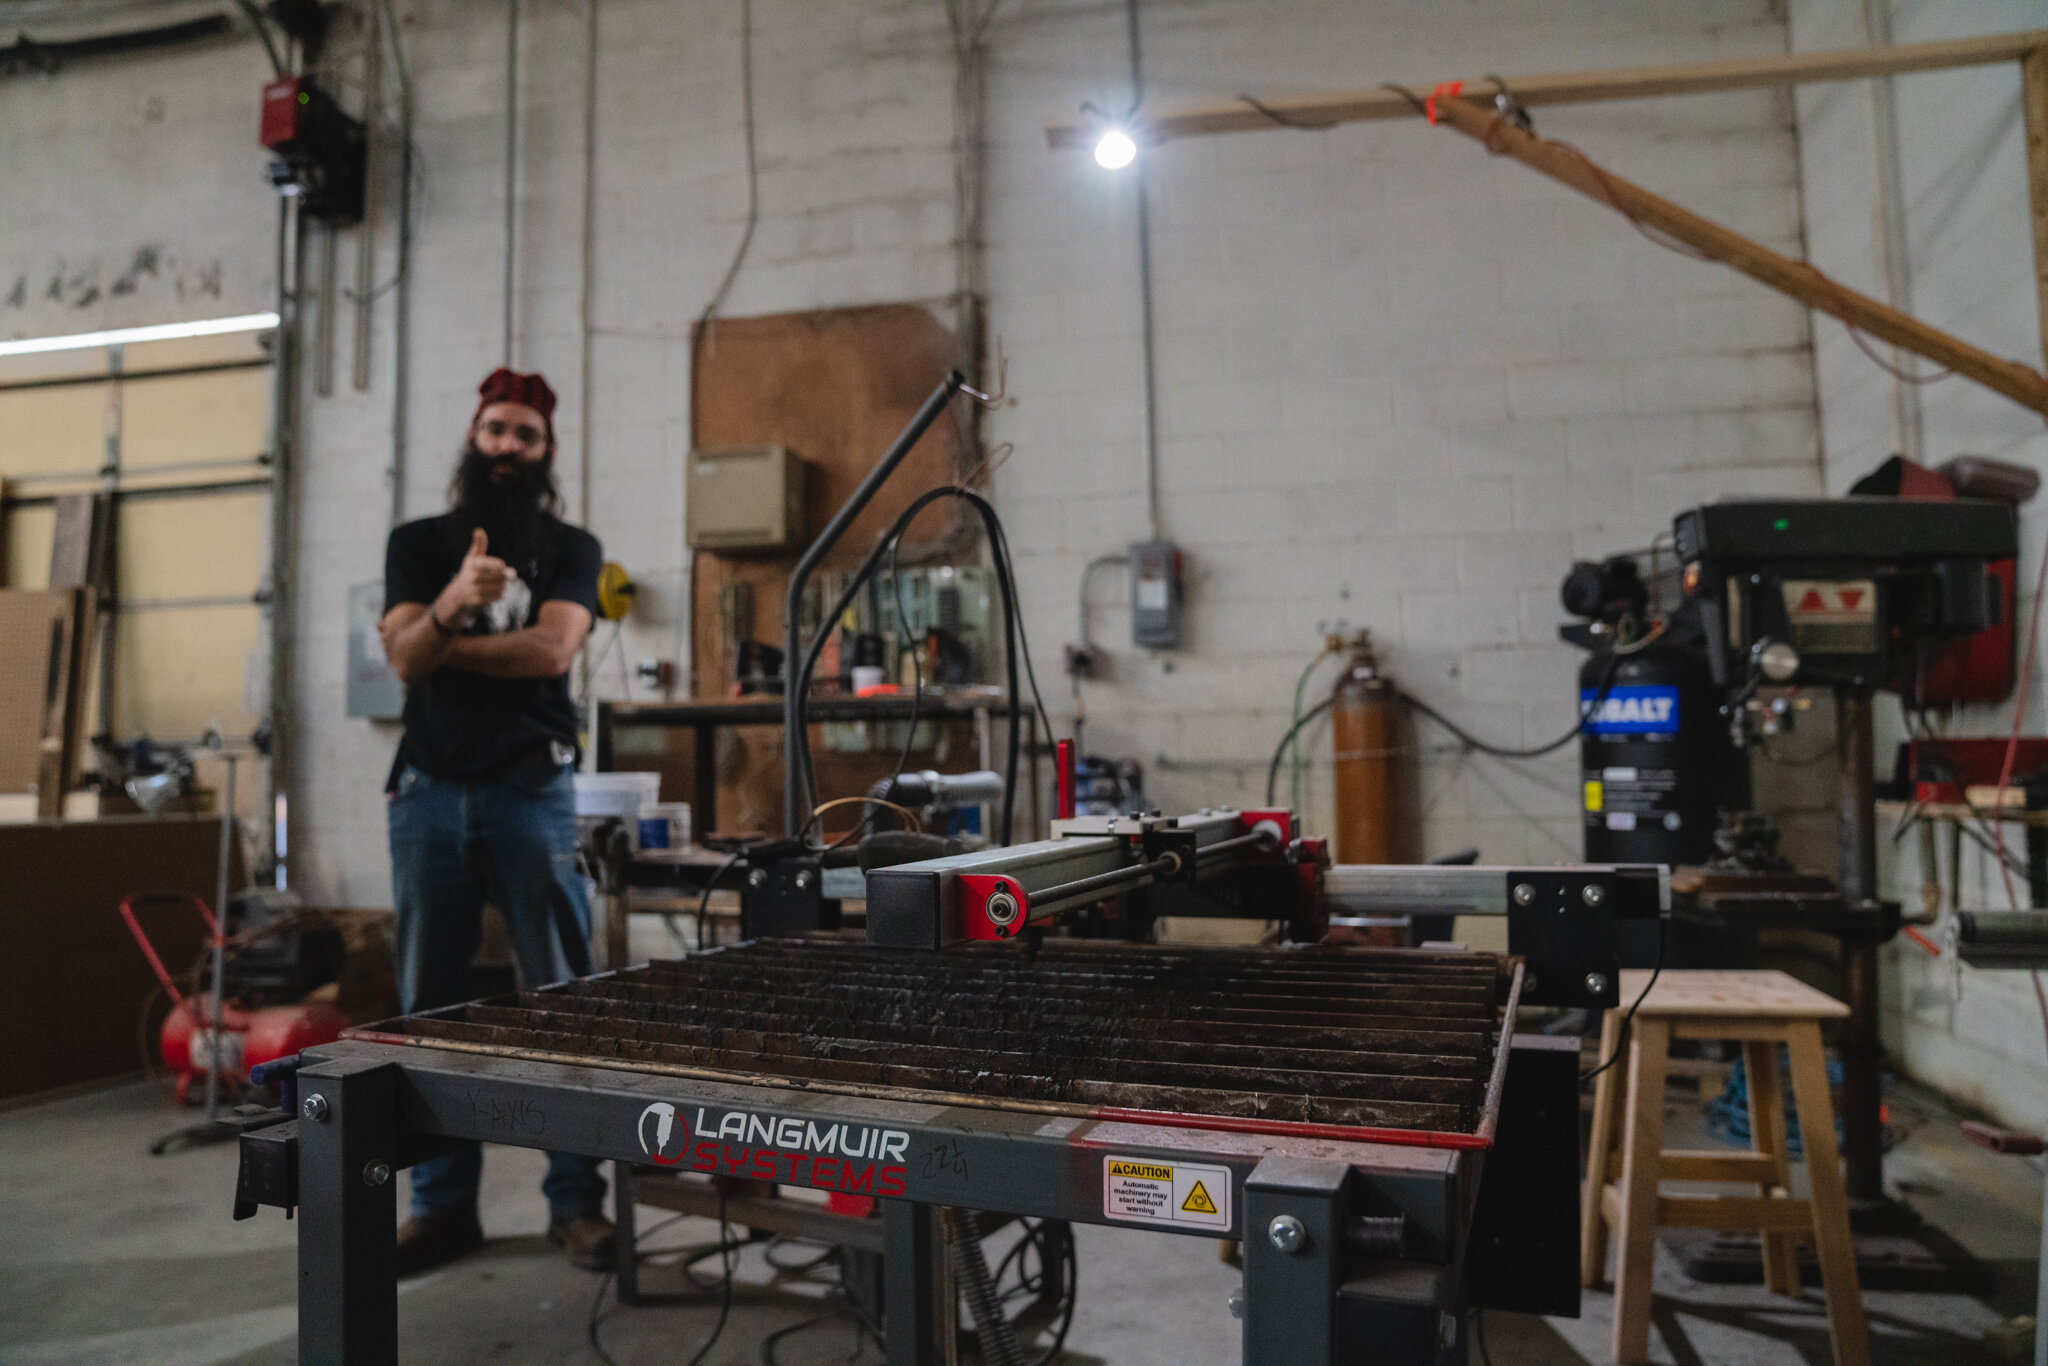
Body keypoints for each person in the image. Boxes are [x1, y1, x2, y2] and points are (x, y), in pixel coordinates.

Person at [377, 367, 614, 1275]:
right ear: (472, 436)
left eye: (526, 434)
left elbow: (553, 648)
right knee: (428, 1010)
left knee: (564, 1001)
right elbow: (403, 660)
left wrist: (443, 645)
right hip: (428, 797)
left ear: (547, 451)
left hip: (531, 794)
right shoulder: (418, 543)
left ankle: (576, 1203)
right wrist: (451, 601)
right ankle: (440, 1210)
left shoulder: (570, 548)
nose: (508, 446)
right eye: (496, 429)